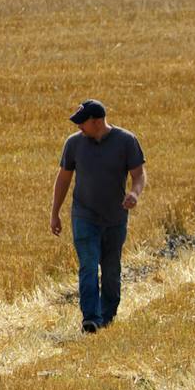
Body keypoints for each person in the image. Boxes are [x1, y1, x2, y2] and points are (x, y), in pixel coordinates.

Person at [51, 99, 146, 334]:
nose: (78, 128)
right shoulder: (73, 144)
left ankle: (108, 315)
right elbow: (63, 178)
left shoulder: (126, 141)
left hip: (115, 218)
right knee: (89, 265)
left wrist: (134, 193)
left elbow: (139, 174)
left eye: (82, 123)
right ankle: (91, 319)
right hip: (84, 216)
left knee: (111, 269)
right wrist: (55, 213)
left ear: (97, 121)